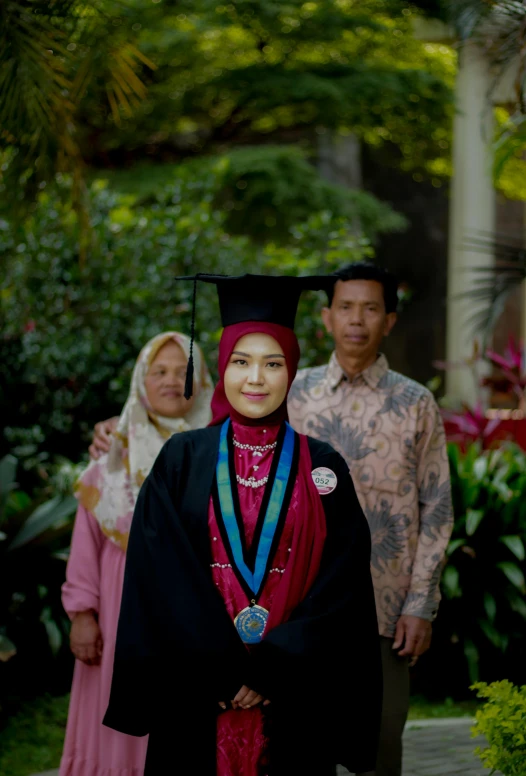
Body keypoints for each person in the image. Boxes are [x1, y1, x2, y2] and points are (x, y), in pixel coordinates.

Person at [103, 274, 381, 776]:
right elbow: (162, 578)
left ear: (291, 370)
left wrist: (271, 668)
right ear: (223, 367)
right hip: (197, 697)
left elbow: (342, 588)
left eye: (272, 363)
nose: (256, 378)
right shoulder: (182, 460)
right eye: (241, 361)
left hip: (292, 700)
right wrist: (226, 671)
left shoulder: (324, 467)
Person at [287, 262, 454, 776]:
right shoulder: (291, 394)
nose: (356, 319)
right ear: (326, 317)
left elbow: (438, 506)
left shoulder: (416, 403)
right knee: (300, 746)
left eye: (371, 308)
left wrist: (421, 605)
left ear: (390, 321)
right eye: (345, 307)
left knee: (380, 748)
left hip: (385, 607)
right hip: (299, 603)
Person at [59, 331, 213, 776]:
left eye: (182, 371)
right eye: (158, 371)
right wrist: (83, 614)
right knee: (121, 709)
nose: (169, 381)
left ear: (201, 381)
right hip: (118, 605)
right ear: (139, 382)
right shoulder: (109, 459)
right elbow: (86, 542)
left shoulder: (220, 451)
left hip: (195, 605)